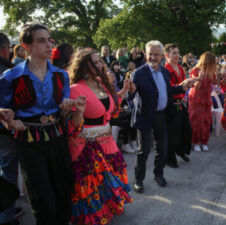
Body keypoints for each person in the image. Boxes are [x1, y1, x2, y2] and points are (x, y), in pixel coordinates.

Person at [0, 23, 82, 225]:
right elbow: (3, 111)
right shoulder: (11, 76)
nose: (49, 44)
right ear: (26, 45)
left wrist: (68, 106)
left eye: (49, 39)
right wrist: (9, 120)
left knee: (63, 188)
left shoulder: (61, 75)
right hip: (29, 141)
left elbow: (62, 111)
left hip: (57, 136)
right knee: (40, 193)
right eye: (41, 40)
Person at [67, 48, 134, 224]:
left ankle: (108, 209)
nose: (99, 65)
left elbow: (110, 109)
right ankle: (95, 216)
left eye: (99, 61)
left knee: (109, 177)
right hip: (86, 144)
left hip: (106, 138)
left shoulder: (101, 84)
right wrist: (79, 112)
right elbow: (73, 125)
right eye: (94, 62)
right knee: (93, 183)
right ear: (83, 65)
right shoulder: (75, 89)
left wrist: (125, 90)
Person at [130, 40, 195, 193]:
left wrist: (182, 86)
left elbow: (168, 90)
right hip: (144, 116)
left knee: (162, 148)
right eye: (150, 54)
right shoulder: (138, 74)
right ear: (146, 55)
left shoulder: (164, 72)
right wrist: (130, 91)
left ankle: (158, 174)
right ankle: (139, 179)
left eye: (156, 54)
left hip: (162, 115)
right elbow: (129, 95)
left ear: (161, 56)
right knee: (144, 150)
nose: (153, 57)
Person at [0, 32, 21, 225]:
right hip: (5, 131)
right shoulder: (7, 72)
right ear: (5, 50)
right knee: (9, 174)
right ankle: (7, 217)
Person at [163, 43, 191, 168]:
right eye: (174, 53)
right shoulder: (165, 70)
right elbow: (169, 89)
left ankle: (180, 151)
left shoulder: (180, 68)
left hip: (181, 103)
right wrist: (182, 87)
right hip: (171, 105)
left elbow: (183, 86)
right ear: (167, 55)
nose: (177, 55)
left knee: (185, 130)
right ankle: (170, 158)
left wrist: (190, 83)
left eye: (178, 52)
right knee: (172, 133)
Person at [188, 52, 222, 152]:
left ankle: (204, 142)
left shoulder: (211, 71)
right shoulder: (195, 70)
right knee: (196, 120)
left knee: (206, 120)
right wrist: (200, 78)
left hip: (206, 98)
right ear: (207, 62)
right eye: (212, 62)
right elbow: (196, 86)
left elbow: (214, 83)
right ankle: (195, 142)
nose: (214, 64)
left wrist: (220, 78)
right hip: (196, 98)